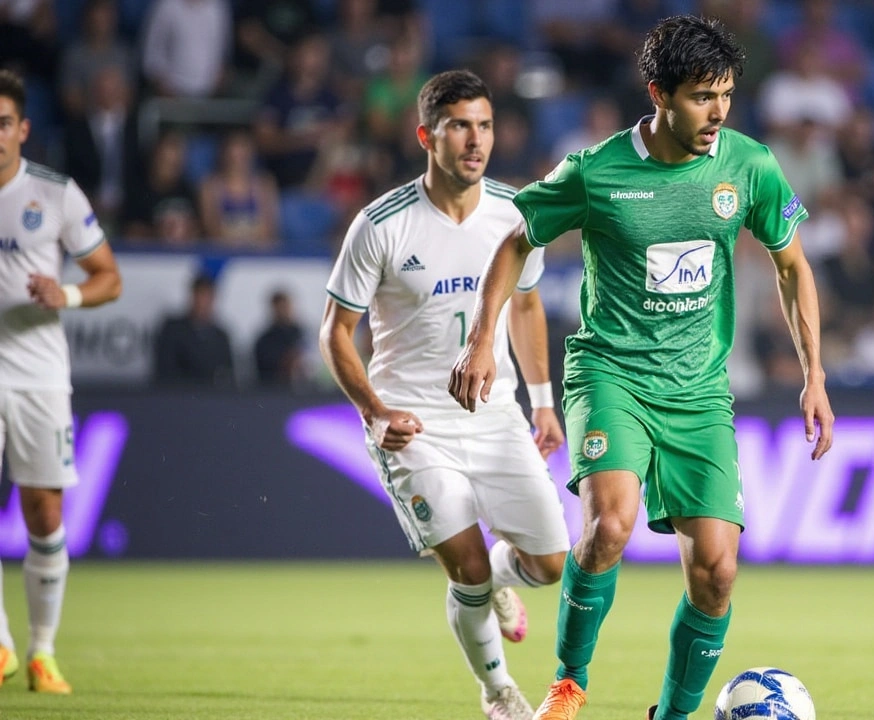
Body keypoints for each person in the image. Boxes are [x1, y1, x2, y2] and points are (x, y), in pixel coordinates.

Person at [449, 16, 835, 720]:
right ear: (659, 94)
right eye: (700, 97)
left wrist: (815, 375)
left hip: (698, 390)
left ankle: (674, 715)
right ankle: (569, 684)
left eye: (725, 95)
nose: (717, 113)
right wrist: (482, 340)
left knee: (717, 570)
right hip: (611, 374)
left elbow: (792, 267)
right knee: (609, 526)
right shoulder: (596, 172)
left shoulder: (748, 166)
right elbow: (515, 241)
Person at [319, 70, 570, 720]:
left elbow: (528, 305)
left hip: (497, 417)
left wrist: (542, 399)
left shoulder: (516, 213)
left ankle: (499, 578)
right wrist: (375, 413)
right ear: (427, 135)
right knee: (468, 572)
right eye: (460, 125)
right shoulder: (380, 225)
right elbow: (335, 333)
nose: (475, 139)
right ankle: (498, 692)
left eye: (484, 125)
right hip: (415, 424)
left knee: (550, 563)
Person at [0, 69, 123, 694]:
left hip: (39, 374)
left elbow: (110, 277)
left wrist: (66, 292)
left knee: (44, 514)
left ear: (21, 129)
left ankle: (42, 652)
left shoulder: (53, 193)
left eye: (2, 123)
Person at [152, 273, 235, 387]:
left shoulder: (221, 337)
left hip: (211, 400)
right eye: (200, 296)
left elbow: (227, 375)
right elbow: (165, 371)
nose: (203, 304)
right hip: (178, 397)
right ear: (192, 297)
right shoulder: (173, 330)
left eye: (207, 298)